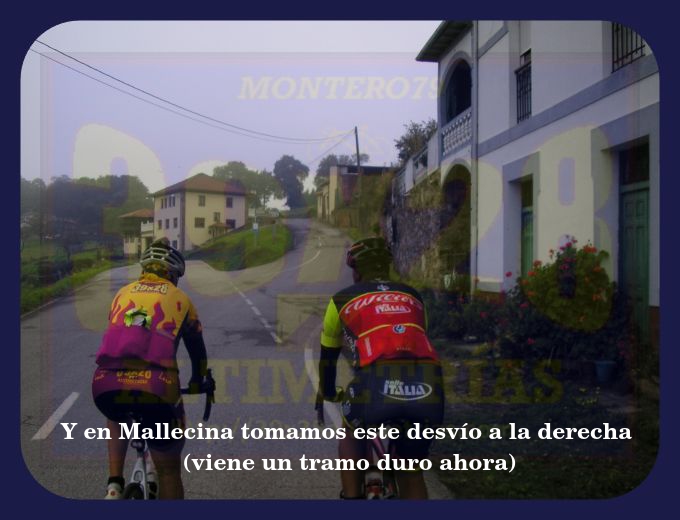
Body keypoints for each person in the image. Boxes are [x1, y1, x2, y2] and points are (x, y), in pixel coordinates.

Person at [318, 237, 445, 499]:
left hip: (376, 381)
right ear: (387, 268)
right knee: (411, 471)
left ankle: (352, 498)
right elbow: (418, 338)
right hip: (428, 384)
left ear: (356, 272)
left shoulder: (340, 299)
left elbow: (328, 358)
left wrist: (328, 392)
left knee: (351, 433)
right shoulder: (413, 296)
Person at [91, 238, 208, 499]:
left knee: (117, 408)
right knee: (168, 471)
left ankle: (114, 486)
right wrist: (198, 380)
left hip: (104, 384)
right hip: (157, 389)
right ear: (173, 274)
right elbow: (197, 353)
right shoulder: (181, 299)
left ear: (144, 269)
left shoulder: (123, 294)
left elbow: (130, 332)